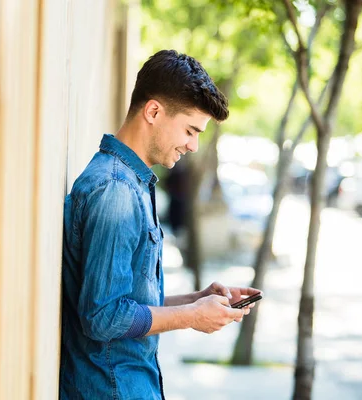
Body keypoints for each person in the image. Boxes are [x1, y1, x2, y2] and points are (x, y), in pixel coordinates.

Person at [59, 50, 262, 400]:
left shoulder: (132, 183)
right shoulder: (116, 191)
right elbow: (103, 317)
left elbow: (125, 300)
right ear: (153, 111)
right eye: (189, 130)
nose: (193, 145)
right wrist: (190, 317)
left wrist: (196, 300)